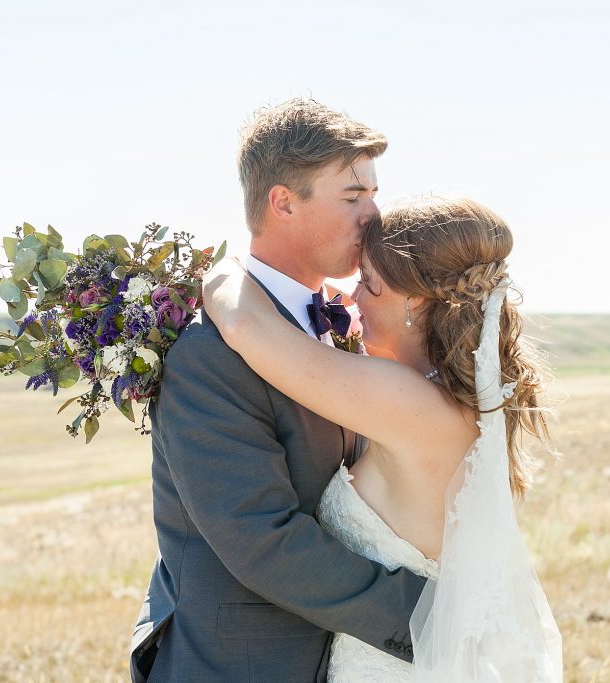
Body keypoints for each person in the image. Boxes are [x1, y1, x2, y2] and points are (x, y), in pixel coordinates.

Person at [202, 195, 563, 681]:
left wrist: (221, 269)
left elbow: (244, 323)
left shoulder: (408, 402)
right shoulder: (459, 402)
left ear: (414, 299)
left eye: (368, 283)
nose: (351, 299)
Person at [130, 98, 428, 682]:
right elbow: (261, 539)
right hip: (237, 664)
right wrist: (430, 615)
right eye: (353, 196)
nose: (374, 214)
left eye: (373, 194)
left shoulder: (330, 326)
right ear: (283, 202)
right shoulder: (207, 356)